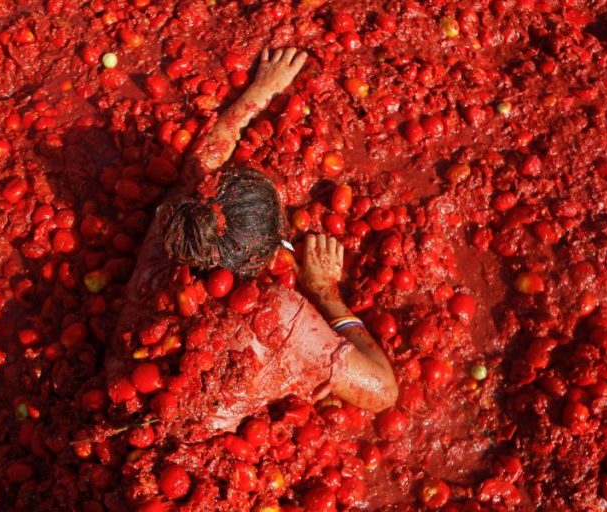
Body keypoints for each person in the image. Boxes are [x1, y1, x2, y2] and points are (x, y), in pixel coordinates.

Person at [117, 47, 397, 436]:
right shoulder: (276, 315)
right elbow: (383, 391)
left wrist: (259, 91)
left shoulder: (172, 230)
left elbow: (204, 163)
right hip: (205, 436)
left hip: (132, 407)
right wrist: (324, 291)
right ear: (267, 256)